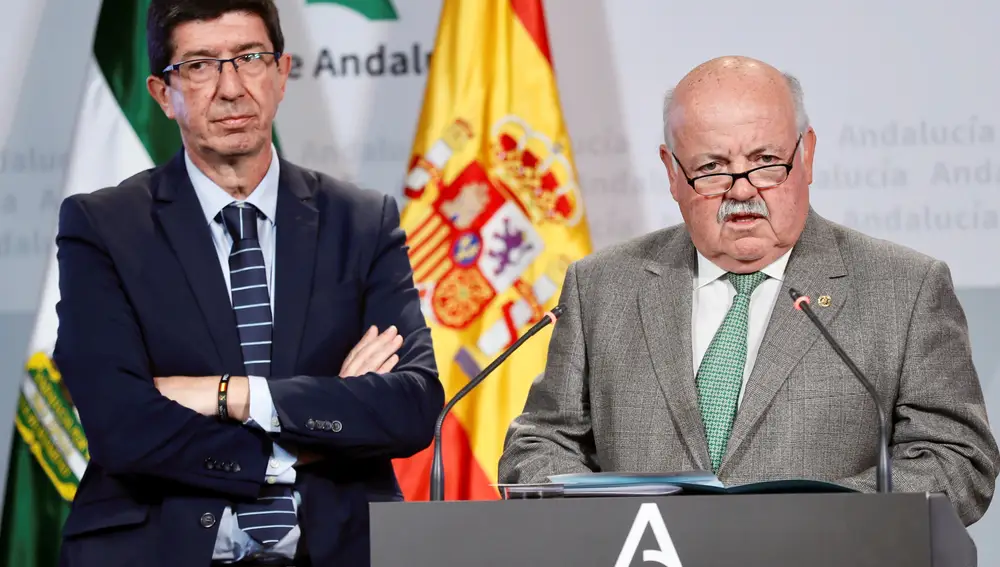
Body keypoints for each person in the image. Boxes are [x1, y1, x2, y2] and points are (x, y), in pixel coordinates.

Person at [497, 55, 1000, 525]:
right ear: (672, 173)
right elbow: (541, 441)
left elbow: (957, 459)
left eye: (765, 161)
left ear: (807, 155)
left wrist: (807, 521)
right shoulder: (603, 286)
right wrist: (610, 521)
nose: (742, 190)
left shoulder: (903, 288)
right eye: (711, 167)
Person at [52, 1, 443, 566]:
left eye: (249, 58)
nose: (231, 88)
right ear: (163, 94)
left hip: (337, 548)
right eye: (201, 66)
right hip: (160, 546)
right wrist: (301, 440)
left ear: (282, 74)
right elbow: (122, 424)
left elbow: (411, 407)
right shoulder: (103, 227)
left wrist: (229, 394)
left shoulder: (362, 222)